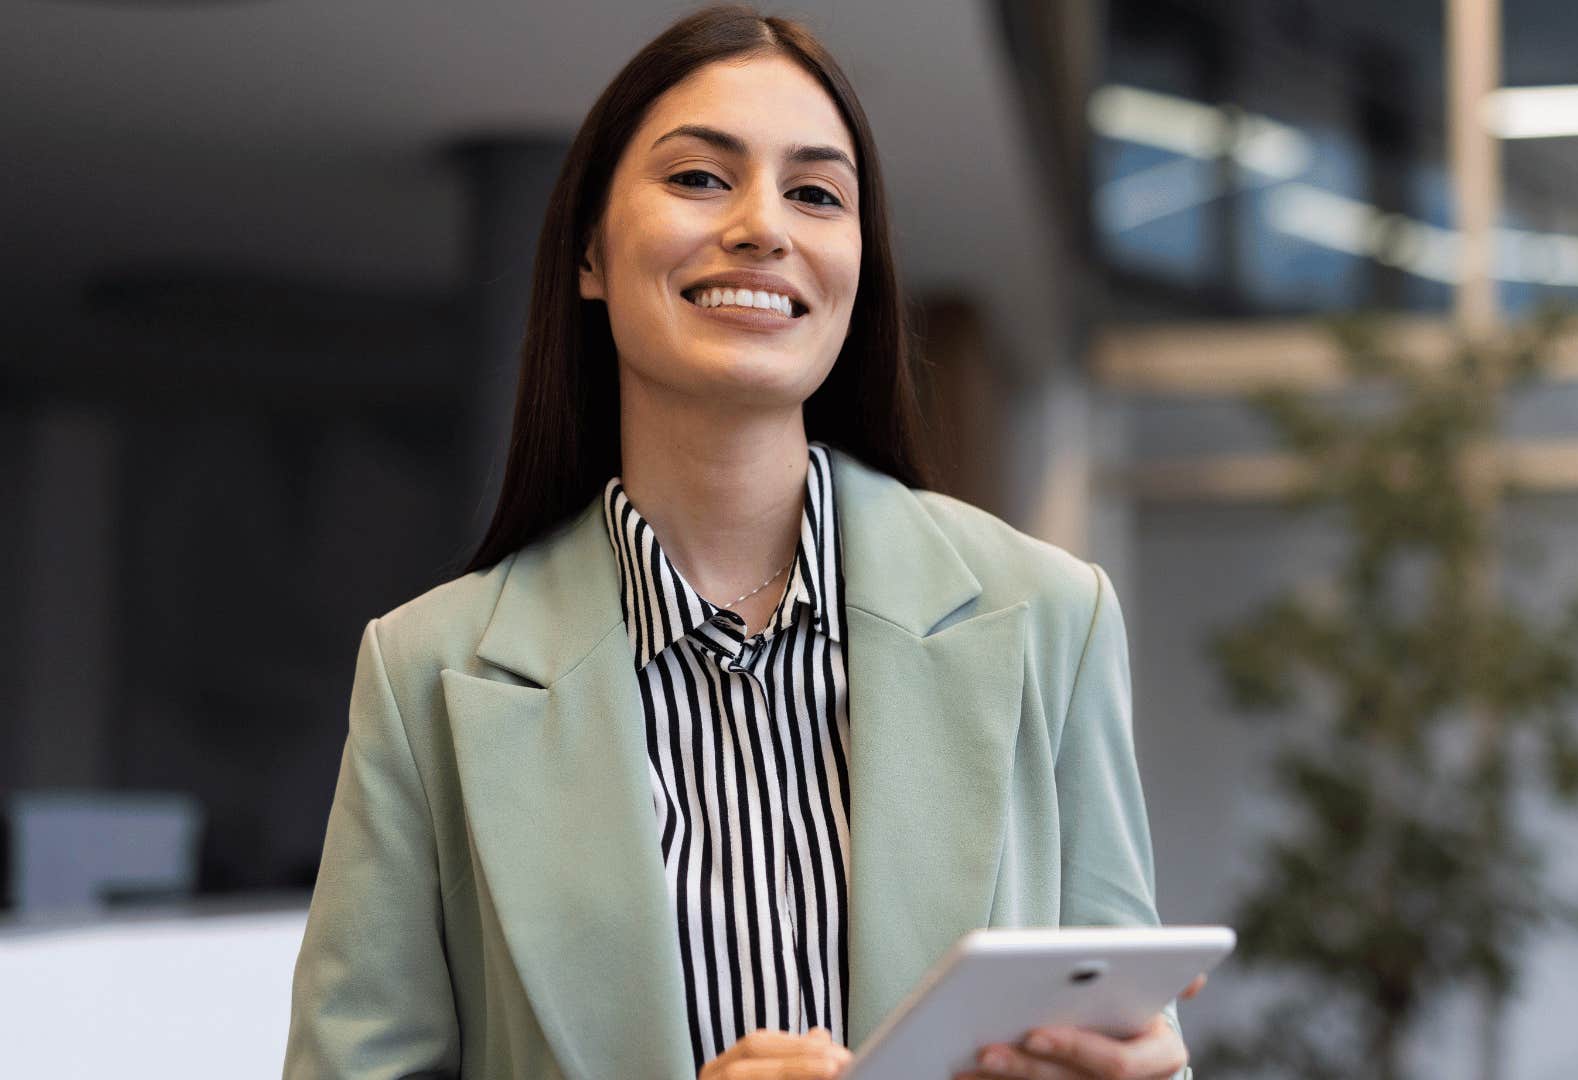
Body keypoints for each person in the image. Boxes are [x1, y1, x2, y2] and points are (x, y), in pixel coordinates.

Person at [282, 6, 1199, 1079]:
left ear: (856, 268)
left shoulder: (1053, 619)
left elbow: (1129, 1042)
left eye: (816, 193)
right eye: (700, 179)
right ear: (588, 251)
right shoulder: (425, 676)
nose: (764, 225)